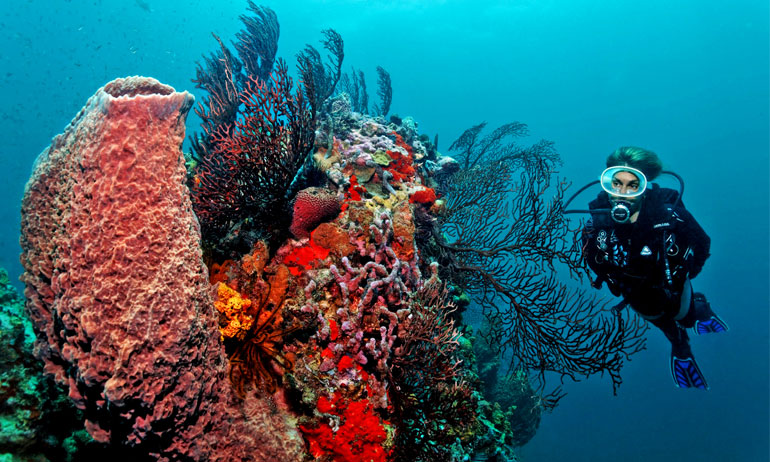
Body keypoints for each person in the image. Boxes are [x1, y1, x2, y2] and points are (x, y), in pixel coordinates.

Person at [581, 146, 728, 389]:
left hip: (673, 286)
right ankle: (679, 344)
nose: (622, 193)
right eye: (615, 183)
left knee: (687, 317)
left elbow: (702, 243)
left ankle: (699, 306)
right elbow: (592, 259)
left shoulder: (669, 216)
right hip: (635, 293)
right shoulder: (597, 223)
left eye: (632, 185)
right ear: (606, 182)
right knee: (662, 323)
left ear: (644, 186)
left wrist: (688, 274)